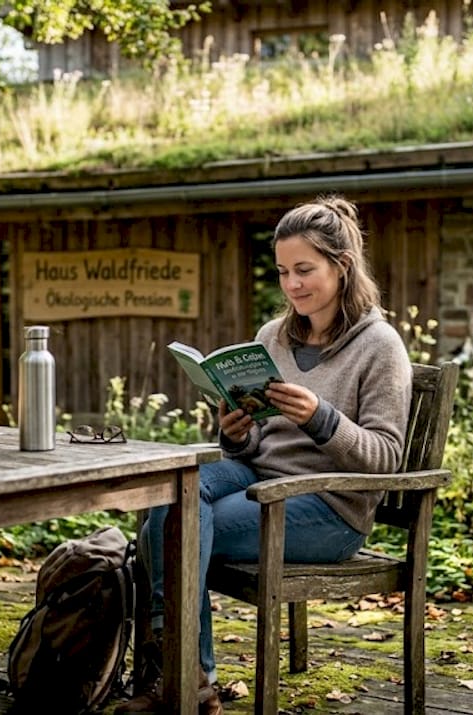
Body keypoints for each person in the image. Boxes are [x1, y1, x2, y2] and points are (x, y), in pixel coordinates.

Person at [120, 196, 413, 714]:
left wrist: (319, 418)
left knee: (177, 528)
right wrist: (234, 432)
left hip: (329, 508)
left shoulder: (380, 346)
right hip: (257, 479)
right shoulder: (272, 338)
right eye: (283, 272)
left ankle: (181, 676)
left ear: (341, 267)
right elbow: (257, 442)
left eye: (305, 269)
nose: (293, 285)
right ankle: (187, 673)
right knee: (172, 493)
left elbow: (387, 458)